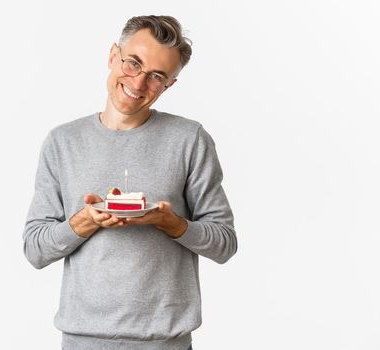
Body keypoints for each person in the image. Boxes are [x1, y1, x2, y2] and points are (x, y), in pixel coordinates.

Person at [23, 15, 237, 350]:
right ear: (112, 56)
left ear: (169, 85)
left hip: (165, 341)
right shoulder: (62, 142)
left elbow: (224, 243)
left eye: (157, 77)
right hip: (83, 341)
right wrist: (83, 221)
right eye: (133, 63)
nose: (138, 84)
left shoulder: (189, 139)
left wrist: (172, 224)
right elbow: (35, 249)